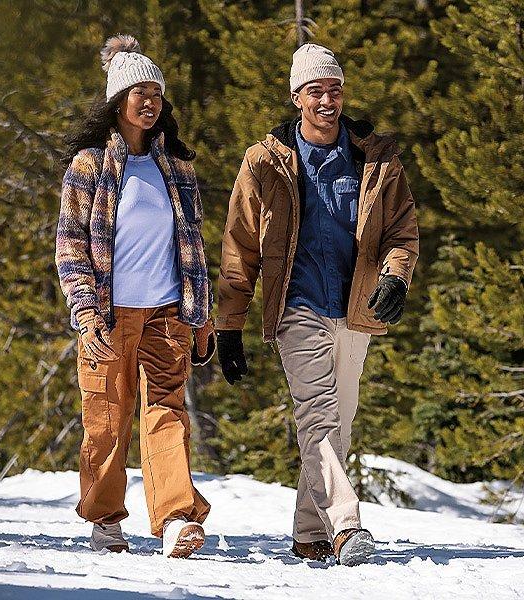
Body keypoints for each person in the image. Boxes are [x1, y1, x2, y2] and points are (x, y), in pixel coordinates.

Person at [215, 43, 419, 566]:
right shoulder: (265, 163)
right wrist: (229, 324)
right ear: (296, 97)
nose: (327, 99)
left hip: (354, 308)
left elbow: (401, 231)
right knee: (317, 417)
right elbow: (240, 246)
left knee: (339, 426)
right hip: (297, 305)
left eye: (334, 89)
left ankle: (309, 533)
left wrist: (395, 278)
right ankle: (347, 526)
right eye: (315, 91)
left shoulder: (375, 157)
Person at [55, 34, 215, 559]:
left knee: (167, 412)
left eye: (156, 93)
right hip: (108, 313)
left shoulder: (178, 169)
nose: (150, 102)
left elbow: (193, 246)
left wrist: (201, 314)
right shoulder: (89, 166)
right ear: (117, 100)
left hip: (167, 311)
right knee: (106, 417)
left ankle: (175, 518)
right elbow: (70, 246)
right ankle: (104, 517)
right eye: (139, 92)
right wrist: (86, 312)